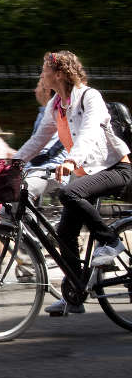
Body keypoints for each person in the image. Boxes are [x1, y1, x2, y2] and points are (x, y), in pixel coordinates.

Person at [13, 50, 131, 315]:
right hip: (86, 174)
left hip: (115, 168)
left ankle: (111, 241)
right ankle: (75, 294)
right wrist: (13, 162)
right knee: (65, 234)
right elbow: (38, 140)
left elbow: (88, 134)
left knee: (69, 193)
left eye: (44, 69)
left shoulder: (90, 97)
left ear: (59, 73)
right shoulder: (56, 105)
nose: (41, 75)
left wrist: (70, 161)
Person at [23, 78, 68, 203]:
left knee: (22, 194)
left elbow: (46, 149)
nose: (34, 90)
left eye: (37, 87)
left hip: (50, 169)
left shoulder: (57, 113)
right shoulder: (43, 113)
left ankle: (27, 223)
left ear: (47, 91)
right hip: (38, 169)